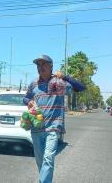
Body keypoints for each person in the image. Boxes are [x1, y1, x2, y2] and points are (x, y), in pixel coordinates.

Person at [23, 55, 85, 183]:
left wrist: (65, 77)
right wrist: (29, 102)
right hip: (36, 127)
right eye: (38, 65)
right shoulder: (34, 83)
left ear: (51, 66)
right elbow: (25, 98)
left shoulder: (59, 82)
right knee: (41, 162)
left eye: (43, 64)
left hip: (53, 128)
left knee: (48, 159)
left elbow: (81, 88)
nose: (40, 67)